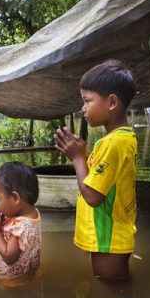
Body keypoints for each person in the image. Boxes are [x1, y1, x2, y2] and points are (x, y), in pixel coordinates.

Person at [54, 60, 137, 280]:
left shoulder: (114, 143)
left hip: (108, 240)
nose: (83, 108)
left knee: (112, 296)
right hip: (111, 236)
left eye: (87, 101)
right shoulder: (119, 139)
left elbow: (92, 196)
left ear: (111, 102)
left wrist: (77, 158)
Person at [0, 161, 41, 279]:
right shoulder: (33, 214)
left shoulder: (18, 226)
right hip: (28, 269)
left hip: (13, 276)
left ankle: (2, 275)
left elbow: (8, 257)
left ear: (15, 198)